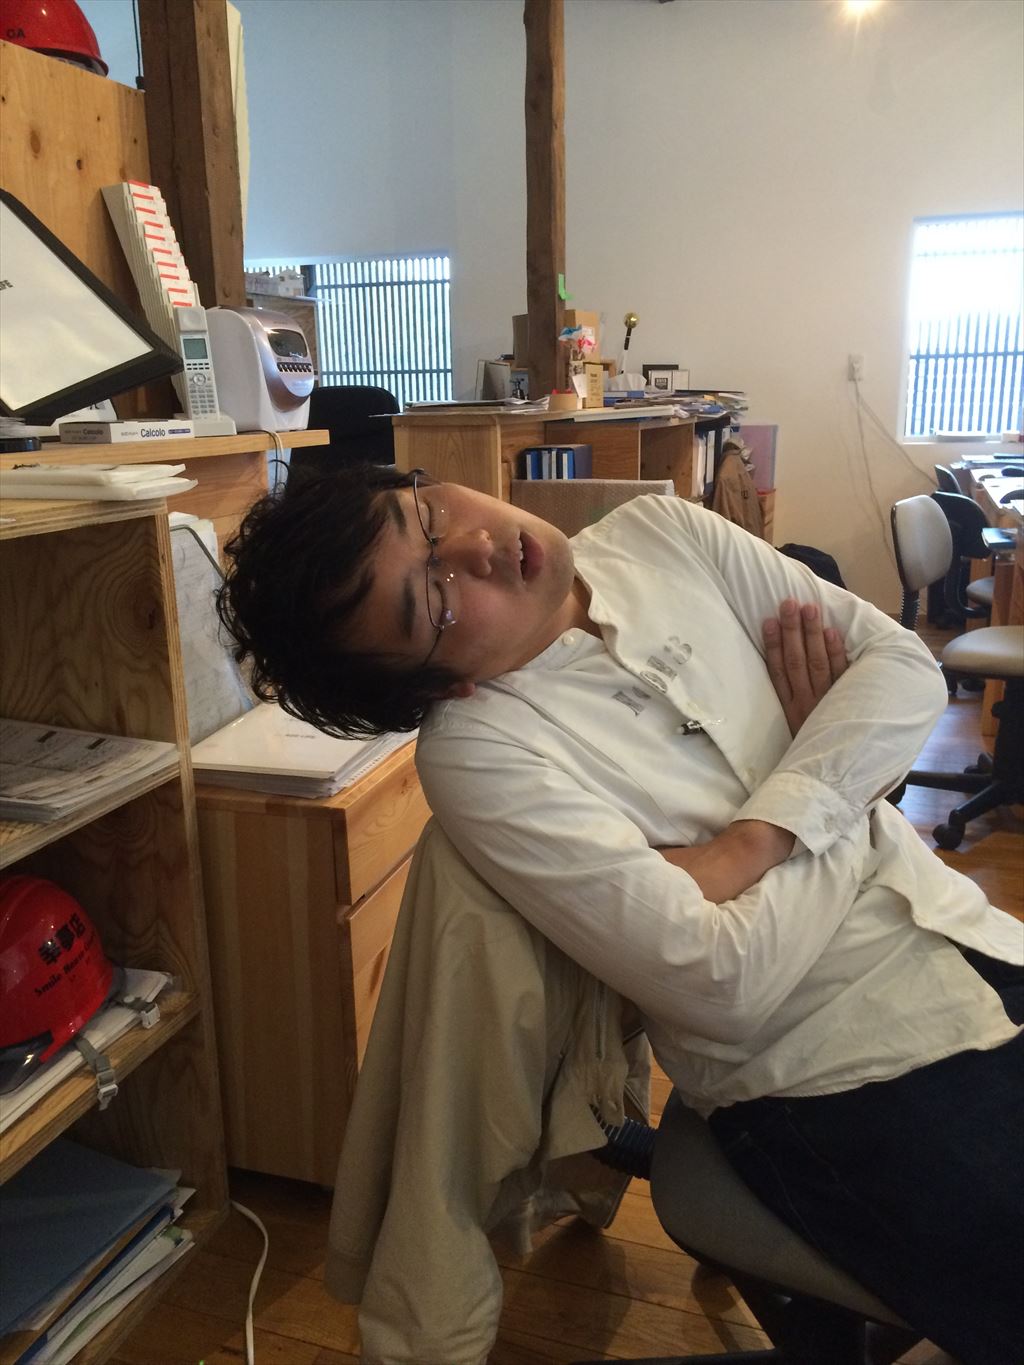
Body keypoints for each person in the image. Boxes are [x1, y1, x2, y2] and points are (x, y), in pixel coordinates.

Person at [218, 463, 1022, 1365]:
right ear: (437, 686)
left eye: (429, 513)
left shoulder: (664, 532)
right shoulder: (483, 751)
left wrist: (755, 839)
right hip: (831, 1076)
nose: (477, 548)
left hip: (971, 939)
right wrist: (842, 778)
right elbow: (724, 986)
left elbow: (904, 669)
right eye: (431, 601)